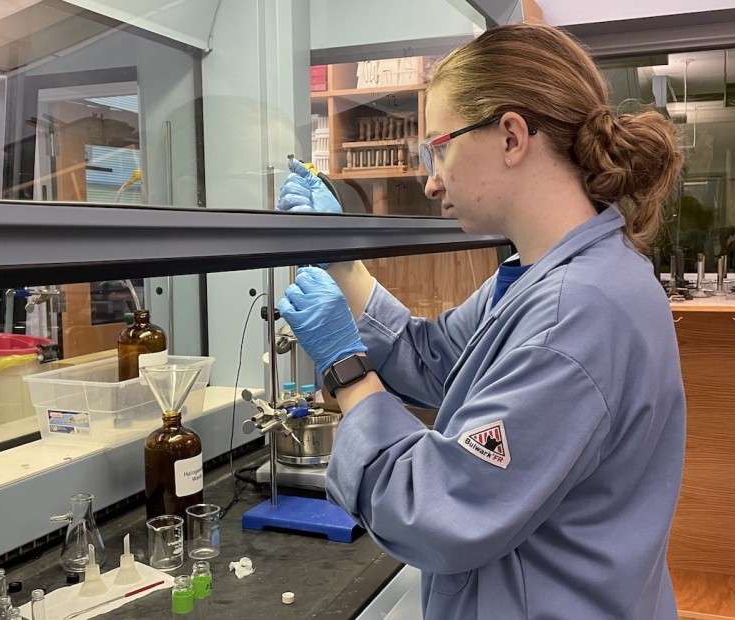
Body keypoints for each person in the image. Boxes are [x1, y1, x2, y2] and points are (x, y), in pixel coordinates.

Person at [275, 23, 686, 620]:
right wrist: (345, 265)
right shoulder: (544, 272)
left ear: (512, 137)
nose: (430, 177)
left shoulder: (575, 316)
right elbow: (440, 360)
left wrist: (346, 370)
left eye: (439, 146)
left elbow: (436, 510)